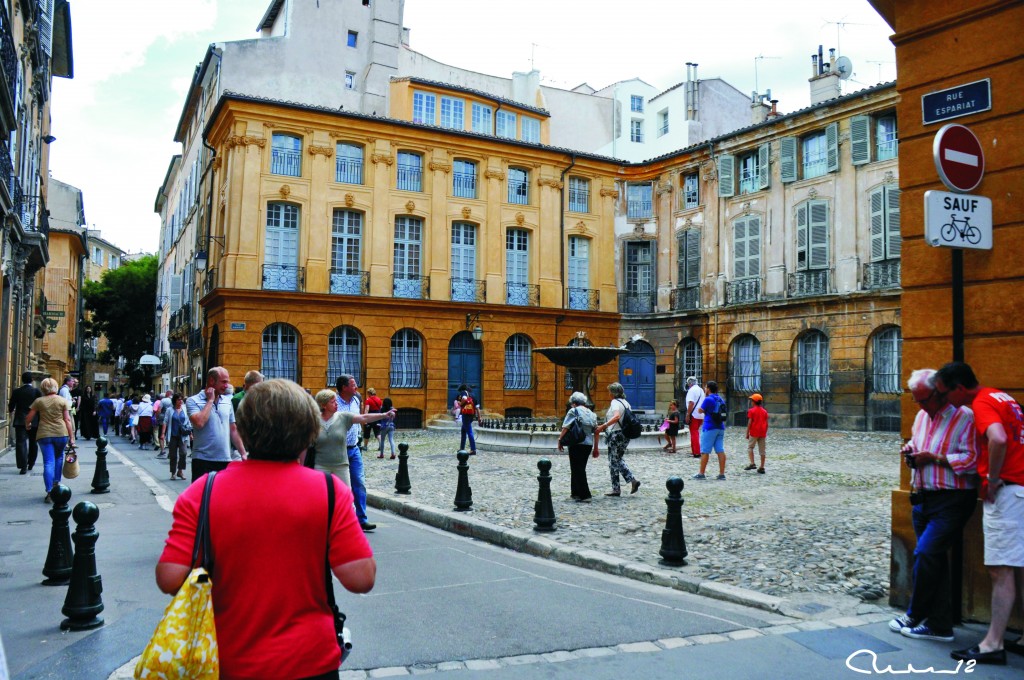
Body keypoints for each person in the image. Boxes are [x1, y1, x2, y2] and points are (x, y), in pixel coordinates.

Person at [155, 379, 376, 679]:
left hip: (230, 660)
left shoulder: (203, 492)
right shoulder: (329, 491)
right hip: (311, 659)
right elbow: (361, 578)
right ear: (307, 434)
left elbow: (169, 578)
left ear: (243, 430)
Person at [935, 361, 1024, 665]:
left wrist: (993, 478)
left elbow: (997, 438)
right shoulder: (1004, 397)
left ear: (959, 388)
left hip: (1008, 492)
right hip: (1021, 488)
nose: (945, 400)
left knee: (1000, 569)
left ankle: (992, 644)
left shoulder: (982, 402)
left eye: (945, 394)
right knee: (1017, 565)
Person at [885, 369, 978, 643]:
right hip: (923, 498)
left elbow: (972, 460)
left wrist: (935, 459)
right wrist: (910, 451)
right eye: (917, 400)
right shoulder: (922, 416)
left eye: (924, 400)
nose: (921, 406)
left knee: (926, 554)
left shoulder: (965, 417)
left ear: (939, 392)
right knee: (931, 560)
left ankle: (917, 613)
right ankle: (938, 624)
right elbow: (916, 442)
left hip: (953, 499)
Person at [315, 390, 394, 486]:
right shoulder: (313, 421)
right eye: (332, 402)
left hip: (341, 466)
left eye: (336, 401)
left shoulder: (343, 417)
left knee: (345, 497)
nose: (336, 404)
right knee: (321, 498)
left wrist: (384, 415)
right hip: (320, 466)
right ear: (323, 405)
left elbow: (364, 417)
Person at [186, 367, 248, 483]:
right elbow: (199, 423)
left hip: (225, 459)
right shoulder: (192, 401)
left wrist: (243, 453)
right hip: (202, 459)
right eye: (223, 382)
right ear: (211, 381)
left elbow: (233, 429)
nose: (227, 385)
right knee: (202, 497)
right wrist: (210, 401)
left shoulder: (227, 401)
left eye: (227, 382)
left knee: (222, 498)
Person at [26, 378, 76, 502]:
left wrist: (28, 425)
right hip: (61, 433)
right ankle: (56, 485)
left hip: (44, 434)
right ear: (55, 387)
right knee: (58, 458)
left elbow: (29, 417)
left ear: (43, 388)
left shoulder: (39, 401)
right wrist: (72, 438)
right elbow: (67, 420)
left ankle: (49, 492)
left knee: (48, 462)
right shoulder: (63, 400)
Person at [336, 374, 374, 531]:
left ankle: (361, 519)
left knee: (359, 482)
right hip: (337, 450)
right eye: (353, 385)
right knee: (339, 486)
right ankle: (338, 520)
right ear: (344, 388)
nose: (356, 387)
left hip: (353, 447)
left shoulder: (356, 399)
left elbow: (360, 419)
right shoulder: (333, 402)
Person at [593, 382, 641, 497]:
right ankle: (632, 481)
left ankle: (616, 489)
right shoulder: (626, 403)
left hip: (616, 435)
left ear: (613, 393)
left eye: (609, 391)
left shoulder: (615, 402)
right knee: (618, 459)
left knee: (613, 462)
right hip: (625, 435)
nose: (608, 394)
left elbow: (617, 417)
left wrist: (603, 426)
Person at [557, 391, 598, 502]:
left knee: (577, 468)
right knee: (579, 468)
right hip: (588, 444)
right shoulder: (591, 413)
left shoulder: (573, 411)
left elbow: (566, 427)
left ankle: (585, 495)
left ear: (574, 403)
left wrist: (560, 440)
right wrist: (596, 448)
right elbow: (596, 430)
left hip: (576, 443)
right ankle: (575, 492)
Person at [9, 372, 41, 474]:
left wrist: (12, 412)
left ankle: (23, 466)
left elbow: (11, 407)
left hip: (20, 420)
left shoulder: (17, 391)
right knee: (33, 442)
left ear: (22, 380)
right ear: (32, 380)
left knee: (20, 443)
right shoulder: (36, 391)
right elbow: (40, 407)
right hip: (34, 420)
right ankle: (31, 463)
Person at [694, 380, 727, 480]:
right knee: (720, 450)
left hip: (709, 427)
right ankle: (721, 474)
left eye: (705, 387)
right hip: (720, 427)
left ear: (708, 388)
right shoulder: (720, 399)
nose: (705, 389)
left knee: (705, 451)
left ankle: (701, 473)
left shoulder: (708, 399)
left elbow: (700, 410)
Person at [161, 393, 192, 480]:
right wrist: (163, 433)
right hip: (173, 435)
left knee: (184, 453)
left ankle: (180, 471)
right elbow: (165, 421)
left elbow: (188, 422)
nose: (181, 401)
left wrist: (191, 433)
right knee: (173, 455)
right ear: (175, 401)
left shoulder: (185, 409)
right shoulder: (169, 410)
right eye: (179, 399)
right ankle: (173, 473)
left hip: (183, 436)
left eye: (181, 399)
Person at [744, 394, 769, 473]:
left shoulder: (751, 411)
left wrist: (747, 433)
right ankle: (762, 467)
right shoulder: (764, 411)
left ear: (754, 402)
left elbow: (749, 423)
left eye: (752, 400)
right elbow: (766, 423)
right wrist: (765, 431)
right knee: (762, 451)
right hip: (762, 432)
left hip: (754, 432)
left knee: (750, 447)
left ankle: (752, 463)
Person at [684, 376, 705, 458]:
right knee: (696, 432)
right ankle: (694, 451)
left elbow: (691, 403)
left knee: (694, 433)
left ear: (690, 383)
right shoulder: (701, 390)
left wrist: (688, 414)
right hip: (700, 414)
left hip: (694, 414)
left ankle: (696, 452)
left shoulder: (691, 390)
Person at [456, 383, 478, 455]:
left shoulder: (463, 392)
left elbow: (464, 399)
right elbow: (477, 407)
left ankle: (473, 449)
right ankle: (462, 448)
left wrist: (461, 404)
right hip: (471, 414)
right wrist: (479, 417)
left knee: (469, 431)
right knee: (463, 430)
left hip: (466, 414)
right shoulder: (473, 395)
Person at [362, 387, 383, 452]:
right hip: (377, 417)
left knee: (367, 432)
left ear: (369, 393)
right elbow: (381, 408)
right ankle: (381, 445)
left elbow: (367, 409)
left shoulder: (368, 400)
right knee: (378, 432)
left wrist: (365, 419)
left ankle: (365, 446)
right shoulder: (379, 399)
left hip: (370, 417)